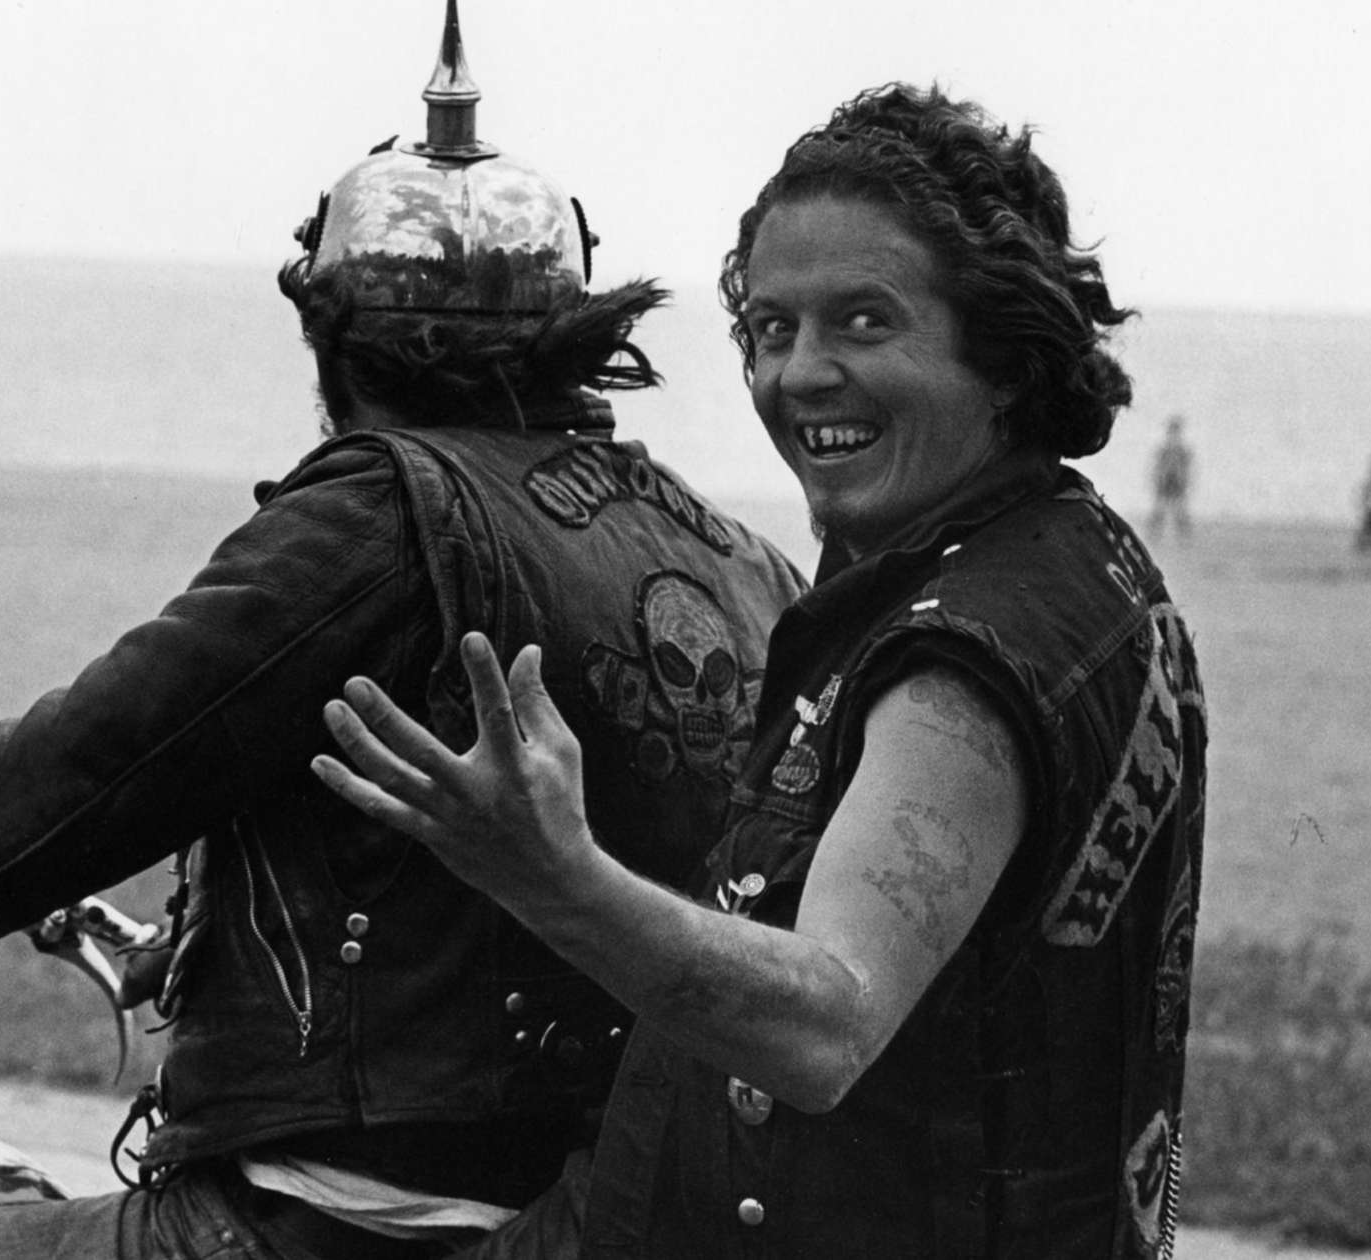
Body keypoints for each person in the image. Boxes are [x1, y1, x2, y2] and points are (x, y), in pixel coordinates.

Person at [0, 9, 805, 1258]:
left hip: (343, 1221)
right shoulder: (734, 556)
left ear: (331, 337)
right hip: (594, 1214)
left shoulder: (384, 515)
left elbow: (43, 796)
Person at [316, 83, 1207, 1258]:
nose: (801, 375)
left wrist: (548, 872)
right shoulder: (1083, 561)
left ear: (1002, 352)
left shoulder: (955, 669)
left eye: (864, 323)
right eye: (773, 329)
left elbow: (825, 1027)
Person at [1148, 415, 1194, 540]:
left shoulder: (1182, 450)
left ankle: (1184, 535)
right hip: (1165, 481)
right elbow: (1158, 466)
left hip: (1177, 481)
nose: (1174, 434)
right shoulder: (1164, 449)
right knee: (1160, 509)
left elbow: (1186, 467)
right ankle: (1154, 534)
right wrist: (1158, 479)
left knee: (1180, 509)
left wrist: (1185, 481)